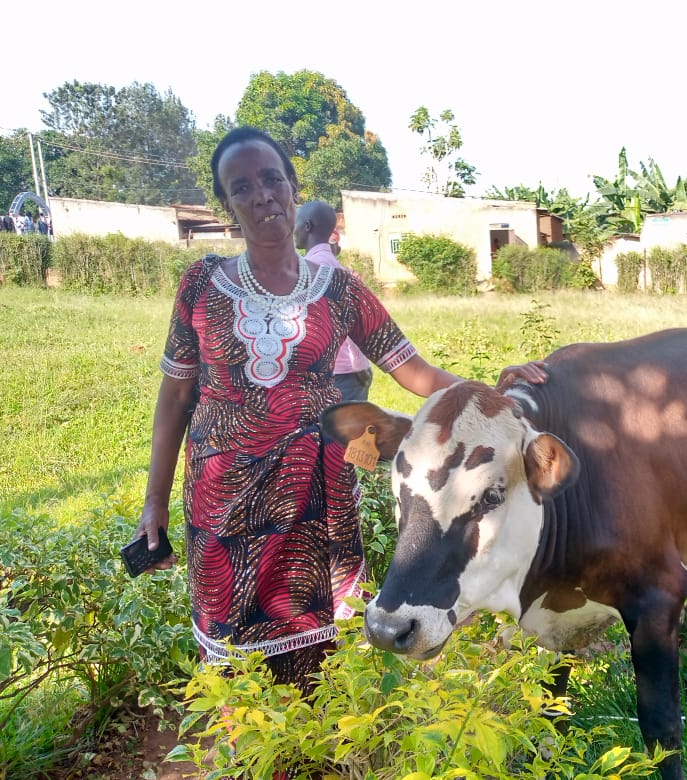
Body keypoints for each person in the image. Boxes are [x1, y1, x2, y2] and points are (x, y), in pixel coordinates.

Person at [133, 126, 547, 694]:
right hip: (221, 497)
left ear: (294, 185)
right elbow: (176, 396)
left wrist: (493, 391)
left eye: (272, 179)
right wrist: (154, 500)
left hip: (315, 496)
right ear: (226, 202)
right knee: (233, 659)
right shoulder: (202, 283)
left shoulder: (339, 288)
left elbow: (416, 373)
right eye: (242, 186)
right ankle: (249, 754)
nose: (262, 196)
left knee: (317, 646)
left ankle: (320, 754)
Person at [293, 200, 373, 402]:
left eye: (296, 224)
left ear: (307, 227)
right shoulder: (339, 269)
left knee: (334, 433)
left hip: (338, 373)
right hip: (354, 368)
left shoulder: (312, 269)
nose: (293, 231)